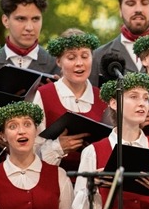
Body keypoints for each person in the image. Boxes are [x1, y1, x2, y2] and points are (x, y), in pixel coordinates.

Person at [73, 72, 149, 209]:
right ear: (114, 103)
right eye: (133, 96)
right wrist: (93, 188)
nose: (142, 104)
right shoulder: (93, 151)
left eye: (146, 98)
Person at [34, 30, 106, 174]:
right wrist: (58, 147)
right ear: (59, 61)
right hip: (53, 179)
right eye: (71, 57)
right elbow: (32, 148)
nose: (79, 63)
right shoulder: (44, 94)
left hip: (93, 183)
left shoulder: (103, 97)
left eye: (85, 56)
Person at [0, 0, 58, 74]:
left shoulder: (57, 64)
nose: (29, 27)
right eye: (21, 19)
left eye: (35, 19)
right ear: (6, 21)